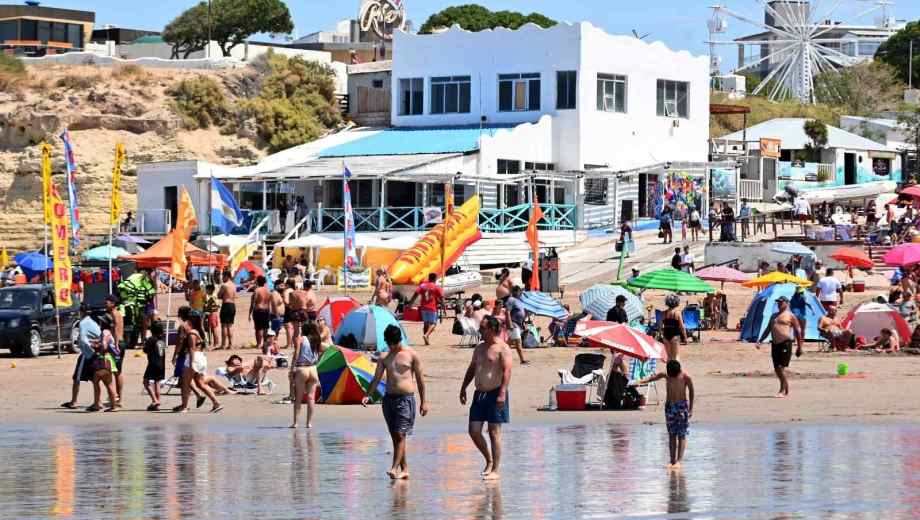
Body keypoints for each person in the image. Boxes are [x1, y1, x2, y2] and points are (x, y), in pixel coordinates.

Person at [363, 324, 429, 480]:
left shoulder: (411, 355)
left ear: (398, 340)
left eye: (392, 343)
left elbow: (420, 380)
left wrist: (424, 401)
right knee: (395, 436)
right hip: (388, 400)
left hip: (405, 400)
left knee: (400, 434)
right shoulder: (384, 357)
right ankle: (405, 469)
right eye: (388, 343)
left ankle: (394, 468)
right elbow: (376, 378)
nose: (390, 346)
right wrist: (368, 395)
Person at [460, 315, 513, 481]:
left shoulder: (503, 348)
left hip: (495, 393)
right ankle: (489, 460)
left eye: (482, 327)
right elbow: (472, 368)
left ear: (492, 329)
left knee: (494, 432)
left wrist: (502, 393)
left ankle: (495, 469)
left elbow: (507, 371)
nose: (479, 330)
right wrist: (463, 387)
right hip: (479, 394)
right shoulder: (480, 348)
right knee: (474, 431)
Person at [632, 360, 694, 468]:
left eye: (674, 375)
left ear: (679, 371)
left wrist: (691, 409)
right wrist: (640, 381)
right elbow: (653, 378)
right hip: (670, 407)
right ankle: (672, 460)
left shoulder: (686, 377)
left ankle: (679, 461)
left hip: (681, 407)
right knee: (671, 434)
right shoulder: (666, 374)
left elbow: (692, 392)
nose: (672, 377)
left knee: (681, 435)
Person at [176, 311, 222, 413]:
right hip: (201, 358)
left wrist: (191, 363)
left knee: (185, 383)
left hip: (194, 358)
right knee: (200, 383)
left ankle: (184, 407)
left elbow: (192, 348)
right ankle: (216, 403)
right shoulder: (199, 331)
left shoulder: (192, 333)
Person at [757, 296, 803, 397]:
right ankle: (785, 386)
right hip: (775, 344)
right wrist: (760, 340)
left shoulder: (791, 316)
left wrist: (799, 347)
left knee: (781, 368)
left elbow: (798, 331)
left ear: (787, 303)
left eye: (781, 302)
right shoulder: (774, 316)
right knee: (776, 369)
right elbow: (768, 329)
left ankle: (782, 390)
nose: (779, 304)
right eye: (778, 302)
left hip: (785, 343)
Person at [61, 304, 101, 410]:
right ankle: (98, 402)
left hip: (87, 354)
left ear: (81, 312)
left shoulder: (83, 323)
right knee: (94, 379)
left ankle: (74, 402)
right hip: (96, 354)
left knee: (76, 378)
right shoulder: (93, 322)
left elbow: (83, 340)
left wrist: (89, 352)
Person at [290, 322, 325, 428]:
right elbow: (323, 351)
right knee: (311, 398)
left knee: (299, 397)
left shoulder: (301, 339)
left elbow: (296, 353)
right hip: (313, 369)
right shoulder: (316, 340)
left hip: (302, 368)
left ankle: (295, 423)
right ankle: (309, 423)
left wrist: (292, 368)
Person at [89, 328, 120, 412]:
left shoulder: (105, 332)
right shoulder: (111, 333)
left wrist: (96, 346)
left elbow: (104, 345)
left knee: (96, 382)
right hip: (108, 360)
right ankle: (113, 406)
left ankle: (97, 404)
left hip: (102, 360)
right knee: (109, 384)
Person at [408, 273, 444, 346]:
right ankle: (426, 335)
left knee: (426, 324)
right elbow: (441, 297)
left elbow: (415, 294)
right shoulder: (436, 287)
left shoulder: (422, 286)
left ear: (429, 278)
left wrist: (410, 304)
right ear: (435, 279)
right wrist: (443, 305)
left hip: (423, 308)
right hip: (432, 308)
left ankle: (426, 341)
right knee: (433, 323)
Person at [104, 295, 126, 406]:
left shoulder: (114, 314)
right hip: (117, 343)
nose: (105, 303)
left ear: (113, 303)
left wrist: (116, 345)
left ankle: (118, 398)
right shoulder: (114, 313)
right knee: (115, 371)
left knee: (117, 372)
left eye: (107, 302)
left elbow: (117, 330)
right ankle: (116, 396)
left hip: (117, 344)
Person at [142, 320, 167, 411]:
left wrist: (145, 345)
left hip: (153, 363)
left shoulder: (151, 339)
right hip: (161, 364)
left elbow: (145, 350)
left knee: (146, 382)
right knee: (157, 382)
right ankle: (157, 403)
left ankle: (155, 400)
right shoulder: (162, 340)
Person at [504, 286, 529, 365]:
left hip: (519, 324)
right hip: (513, 323)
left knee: (508, 343)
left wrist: (524, 323)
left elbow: (521, 313)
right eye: (520, 291)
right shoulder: (511, 300)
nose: (521, 293)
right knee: (518, 342)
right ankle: (522, 360)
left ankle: (500, 356)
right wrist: (510, 324)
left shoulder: (519, 301)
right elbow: (507, 312)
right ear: (515, 292)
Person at [661, 294, 688, 361]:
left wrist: (662, 334)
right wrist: (685, 337)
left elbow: (660, 326)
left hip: (666, 334)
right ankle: (676, 371)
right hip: (675, 335)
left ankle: (669, 371)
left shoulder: (664, 313)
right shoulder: (677, 313)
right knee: (676, 356)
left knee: (669, 357)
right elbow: (682, 327)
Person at [249, 275, 272, 352]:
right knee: (265, 328)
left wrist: (249, 313)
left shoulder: (257, 291)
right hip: (266, 310)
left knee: (258, 328)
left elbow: (253, 303)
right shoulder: (268, 290)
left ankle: (259, 344)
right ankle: (265, 343)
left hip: (258, 310)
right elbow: (269, 302)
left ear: (258, 282)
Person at [286, 279, 309, 348]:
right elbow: (306, 302)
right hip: (303, 311)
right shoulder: (305, 293)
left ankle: (296, 346)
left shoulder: (291, 293)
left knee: (296, 331)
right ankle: (303, 345)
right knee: (304, 330)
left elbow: (290, 303)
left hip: (295, 311)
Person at [217, 271, 237, 349]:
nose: (222, 278)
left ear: (227, 276)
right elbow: (234, 295)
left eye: (223, 276)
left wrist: (222, 296)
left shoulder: (224, 285)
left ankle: (223, 344)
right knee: (230, 326)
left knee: (224, 326)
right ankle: (231, 344)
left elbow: (219, 295)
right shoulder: (233, 285)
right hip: (232, 305)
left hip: (226, 305)